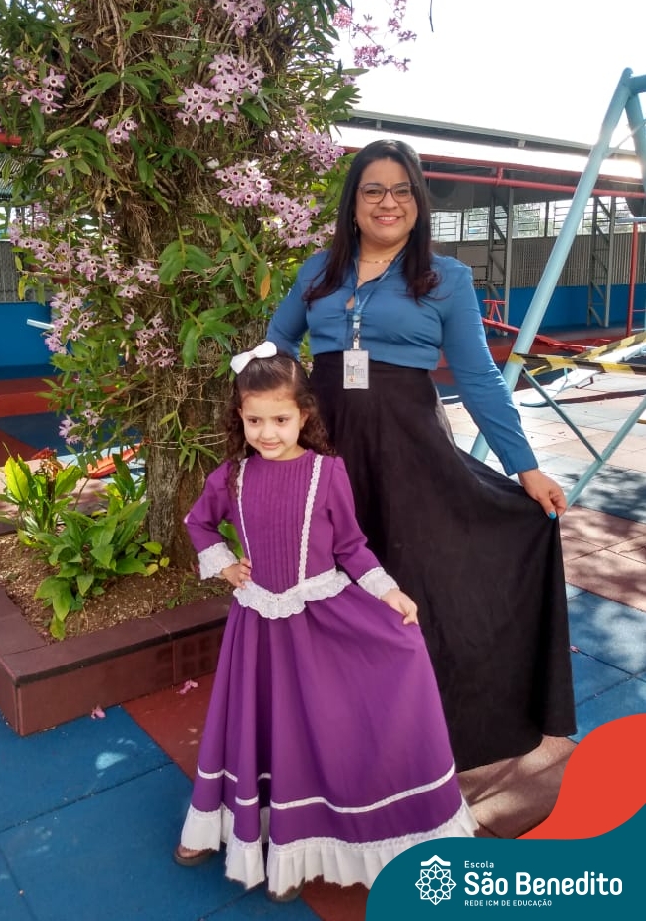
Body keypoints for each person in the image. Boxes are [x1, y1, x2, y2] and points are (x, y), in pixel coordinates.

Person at [266, 139, 576, 773]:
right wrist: (276, 420)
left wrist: (524, 466)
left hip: (409, 451)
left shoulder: (445, 277)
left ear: (418, 202)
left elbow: (479, 376)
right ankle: (334, 729)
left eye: (402, 190)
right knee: (329, 583)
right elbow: (278, 342)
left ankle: (420, 733)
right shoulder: (318, 271)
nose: (389, 202)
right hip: (327, 447)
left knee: (412, 581)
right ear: (353, 202)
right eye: (374, 190)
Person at [173, 345, 474, 902]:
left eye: (280, 419)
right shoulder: (232, 476)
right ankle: (247, 827)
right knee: (261, 723)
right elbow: (199, 523)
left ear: (304, 415)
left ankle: (305, 841)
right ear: (239, 417)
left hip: (319, 622)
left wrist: (388, 591)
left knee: (319, 725)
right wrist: (226, 565)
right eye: (254, 420)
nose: (267, 432)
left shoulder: (326, 472)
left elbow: (352, 547)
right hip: (258, 627)